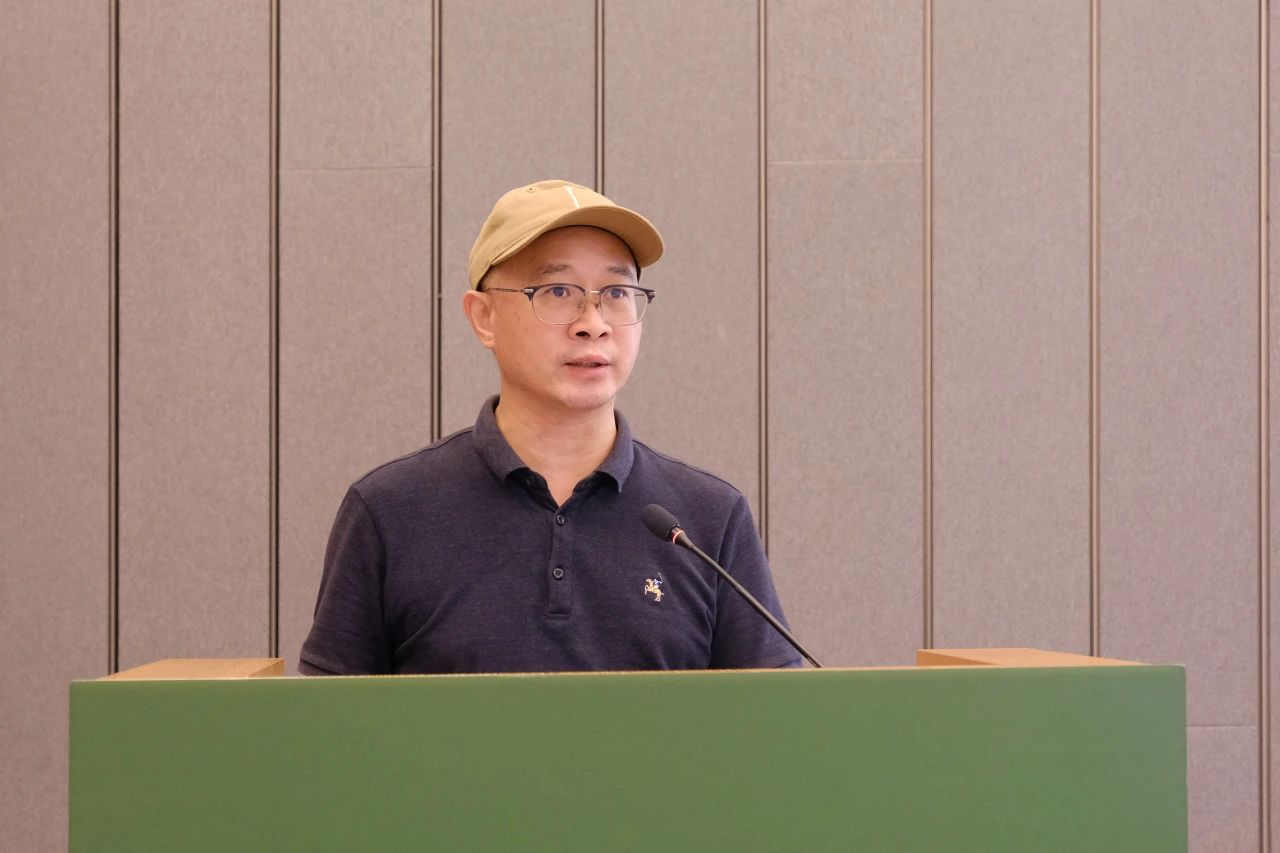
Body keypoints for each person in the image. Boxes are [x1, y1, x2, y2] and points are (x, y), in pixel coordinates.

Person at [299, 179, 801, 674]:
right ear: (484, 317)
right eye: (558, 290)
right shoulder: (389, 510)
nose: (593, 323)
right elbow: (330, 720)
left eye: (617, 292)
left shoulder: (708, 518)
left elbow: (773, 717)